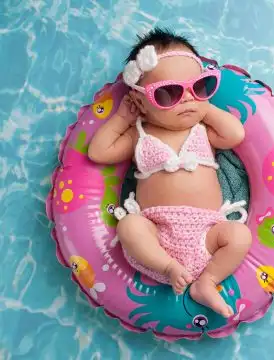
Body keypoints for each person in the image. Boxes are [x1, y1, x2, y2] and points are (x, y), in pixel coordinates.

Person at [88, 27, 252, 318]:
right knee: (129, 227)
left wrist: (205, 108)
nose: (188, 99)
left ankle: (207, 282)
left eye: (199, 87)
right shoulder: (139, 134)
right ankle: (168, 266)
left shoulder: (202, 130)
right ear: (140, 101)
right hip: (156, 233)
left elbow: (235, 134)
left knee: (240, 236)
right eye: (169, 93)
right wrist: (122, 118)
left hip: (207, 232)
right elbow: (98, 152)